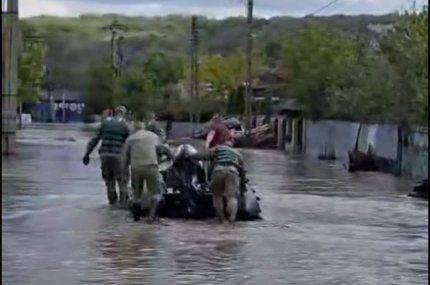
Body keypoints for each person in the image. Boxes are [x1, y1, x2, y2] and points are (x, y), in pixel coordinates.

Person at [120, 121, 170, 222]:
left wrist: (123, 172)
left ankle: (136, 218)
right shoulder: (153, 136)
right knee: (156, 193)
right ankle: (151, 216)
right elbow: (162, 149)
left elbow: (124, 158)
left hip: (135, 168)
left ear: (134, 129)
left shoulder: (130, 139)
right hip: (151, 166)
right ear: (145, 127)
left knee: (136, 195)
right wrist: (170, 156)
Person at [82, 105, 130, 207]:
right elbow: (130, 143)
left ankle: (112, 204)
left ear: (114, 113)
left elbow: (95, 140)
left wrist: (87, 154)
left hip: (105, 156)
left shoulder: (105, 123)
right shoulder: (125, 125)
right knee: (122, 181)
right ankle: (122, 205)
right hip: (118, 156)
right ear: (124, 114)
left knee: (109, 182)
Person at [186, 139, 243, 223]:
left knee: (217, 196)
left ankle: (220, 219)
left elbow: (203, 156)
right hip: (232, 171)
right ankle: (232, 219)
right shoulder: (237, 154)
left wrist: (190, 155)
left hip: (218, 171)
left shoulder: (218, 148)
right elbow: (242, 169)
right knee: (231, 197)